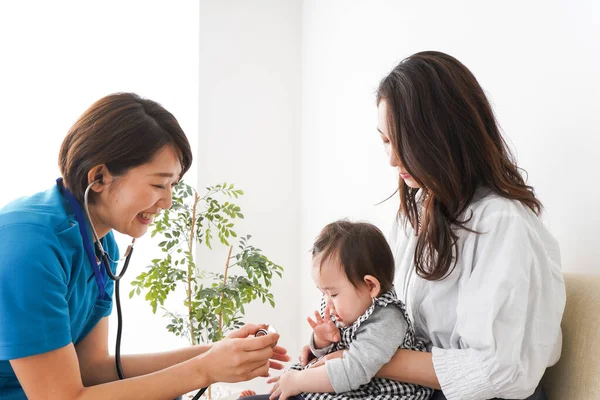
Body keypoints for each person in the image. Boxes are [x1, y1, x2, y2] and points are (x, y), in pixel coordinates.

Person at [297, 51, 564, 400]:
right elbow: (391, 315)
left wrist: (366, 359)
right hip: (415, 387)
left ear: (440, 135)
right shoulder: (418, 215)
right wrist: (336, 342)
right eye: (385, 141)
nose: (392, 159)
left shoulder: (502, 224)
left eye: (401, 142)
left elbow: (497, 372)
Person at [0, 92, 289, 400]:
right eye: (157, 185)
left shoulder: (101, 243)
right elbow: (62, 397)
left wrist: (217, 353)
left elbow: (92, 367)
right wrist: (205, 369)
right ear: (99, 176)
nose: (167, 202)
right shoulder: (27, 246)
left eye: (173, 186)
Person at [267, 220, 433, 400]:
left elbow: (354, 370)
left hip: (376, 391)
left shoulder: (387, 319)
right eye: (323, 293)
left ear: (370, 286)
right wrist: (322, 341)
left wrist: (299, 381)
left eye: (333, 294)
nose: (327, 303)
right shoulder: (347, 307)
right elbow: (326, 355)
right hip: (350, 383)